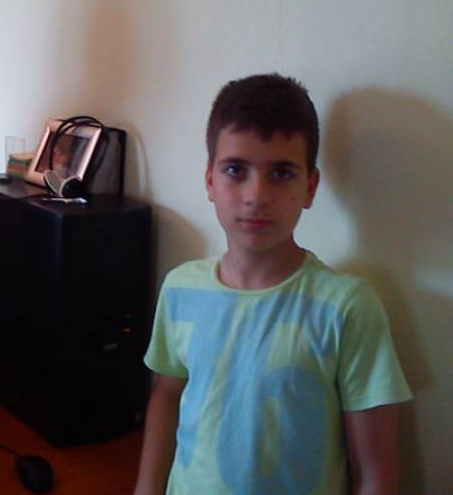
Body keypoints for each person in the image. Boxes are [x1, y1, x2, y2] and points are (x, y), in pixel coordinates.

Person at [133, 74, 412, 494]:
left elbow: (375, 476)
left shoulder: (347, 307)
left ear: (310, 187)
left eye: (281, 173)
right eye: (235, 170)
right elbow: (167, 396)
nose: (256, 195)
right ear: (209, 181)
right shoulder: (180, 289)